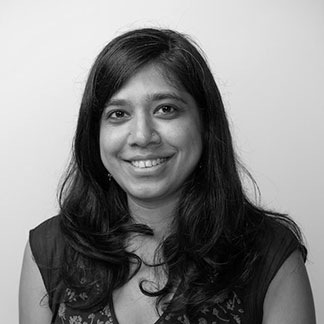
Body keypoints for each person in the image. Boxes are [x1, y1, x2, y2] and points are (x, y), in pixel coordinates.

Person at [19, 28, 316, 324]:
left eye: (166, 109)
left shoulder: (269, 256)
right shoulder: (50, 250)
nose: (142, 135)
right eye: (118, 114)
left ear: (204, 124)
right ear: (94, 133)